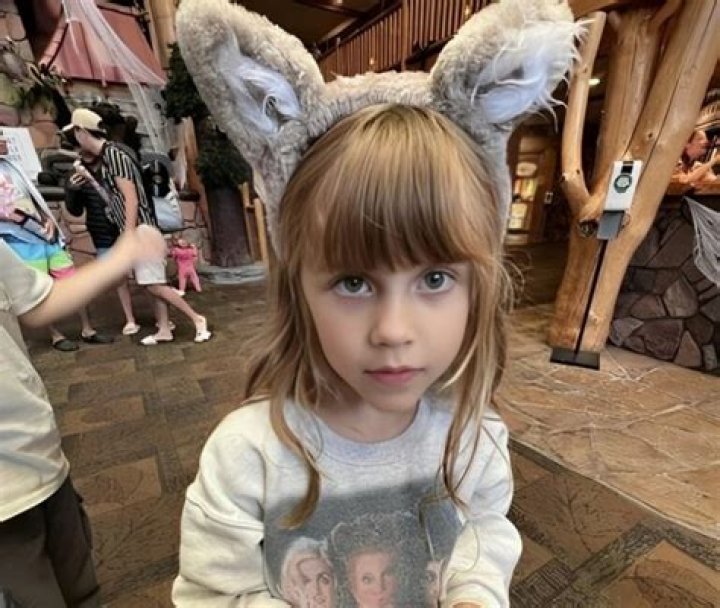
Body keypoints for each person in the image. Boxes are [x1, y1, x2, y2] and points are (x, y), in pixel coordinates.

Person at [173, 0, 578, 605]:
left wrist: (474, 592)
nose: (393, 330)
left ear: (479, 286)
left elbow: (484, 531)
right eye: (354, 283)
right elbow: (215, 593)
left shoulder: (474, 437)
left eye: (435, 278)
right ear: (299, 288)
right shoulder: (246, 457)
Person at [0, 224, 166, 607]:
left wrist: (123, 256)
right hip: (6, 504)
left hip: (41, 459)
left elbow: (38, 301)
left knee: (82, 589)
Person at [62, 108, 211, 346]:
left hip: (142, 230)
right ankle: (164, 329)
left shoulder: (113, 154)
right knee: (151, 283)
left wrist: (128, 234)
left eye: (76, 133)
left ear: (81, 131)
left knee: (154, 285)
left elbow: (130, 197)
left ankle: (197, 318)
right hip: (141, 229)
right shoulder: (112, 154)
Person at [0, 136, 113, 351]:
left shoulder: (11, 165)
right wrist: (22, 220)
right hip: (18, 239)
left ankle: (88, 328)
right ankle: (55, 335)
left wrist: (46, 219)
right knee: (39, 288)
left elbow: (33, 197)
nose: (3, 140)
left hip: (45, 233)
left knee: (71, 279)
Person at [65, 151, 141, 335]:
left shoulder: (114, 166)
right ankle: (130, 319)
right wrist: (72, 190)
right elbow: (75, 210)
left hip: (127, 227)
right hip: (102, 232)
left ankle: (162, 318)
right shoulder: (76, 174)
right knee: (118, 278)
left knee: (146, 272)